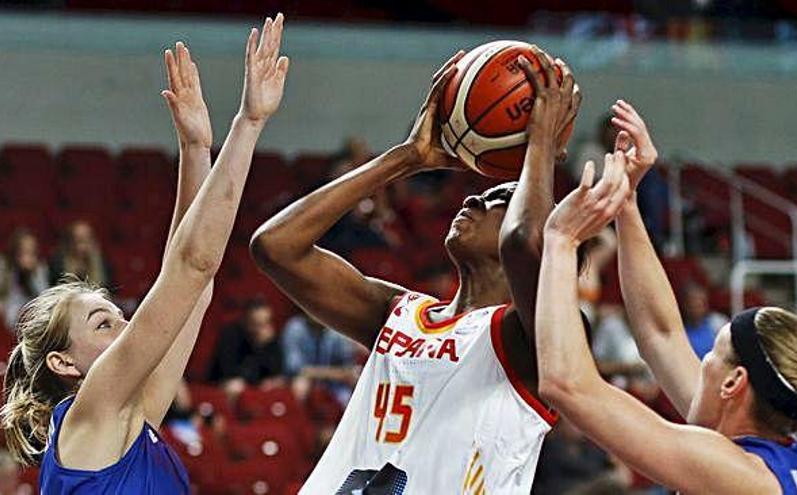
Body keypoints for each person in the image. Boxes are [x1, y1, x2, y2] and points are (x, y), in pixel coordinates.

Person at [251, 47, 580, 493]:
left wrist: (538, 146)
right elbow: (275, 246)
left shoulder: (538, 339)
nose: (471, 200)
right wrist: (405, 158)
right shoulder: (398, 314)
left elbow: (526, 243)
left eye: (496, 201)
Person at [0, 15, 289, 494]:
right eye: (102, 323)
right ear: (64, 363)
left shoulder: (131, 417)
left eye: (116, 314)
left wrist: (195, 147)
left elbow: (193, 290)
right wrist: (249, 124)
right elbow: (192, 265)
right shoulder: (90, 411)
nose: (126, 324)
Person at [534, 99, 797, 495]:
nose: (700, 360)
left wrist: (561, 240)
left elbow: (567, 385)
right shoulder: (755, 441)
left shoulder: (741, 478)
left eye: (712, 355)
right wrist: (627, 203)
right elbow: (660, 333)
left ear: (734, 383)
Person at [208, 298, 286, 396]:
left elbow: (277, 372)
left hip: (258, 385)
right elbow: (229, 372)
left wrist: (265, 346)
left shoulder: (270, 339)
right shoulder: (231, 335)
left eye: (266, 323)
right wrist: (258, 348)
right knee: (235, 387)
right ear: (245, 321)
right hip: (227, 384)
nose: (261, 329)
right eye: (257, 324)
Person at [282, 313, 359, 406]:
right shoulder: (295, 328)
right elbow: (296, 369)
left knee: (349, 393)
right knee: (300, 385)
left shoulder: (336, 329)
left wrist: (343, 374)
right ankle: (299, 419)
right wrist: (335, 373)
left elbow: (348, 368)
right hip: (308, 381)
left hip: (334, 384)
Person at [0, 229, 50, 329]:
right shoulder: (4, 266)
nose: (28, 257)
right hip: (8, 320)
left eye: (32, 252)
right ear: (15, 252)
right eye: (24, 252)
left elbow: (44, 299)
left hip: (33, 321)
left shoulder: (40, 269)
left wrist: (31, 275)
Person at [48, 220, 114, 288]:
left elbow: (108, 291)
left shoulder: (102, 263)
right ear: (69, 243)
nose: (84, 246)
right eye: (79, 241)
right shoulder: (58, 264)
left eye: (88, 240)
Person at [681, 283, 728, 359]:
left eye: (699, 303)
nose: (696, 307)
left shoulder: (717, 324)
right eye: (692, 303)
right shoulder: (680, 330)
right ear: (685, 305)